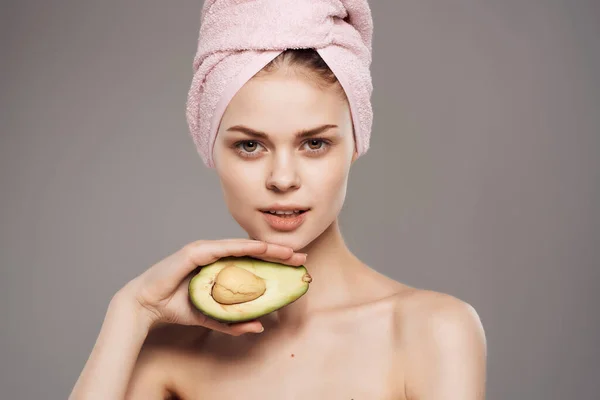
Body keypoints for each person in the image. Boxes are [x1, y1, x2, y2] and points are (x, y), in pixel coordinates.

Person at [69, 2, 487, 399]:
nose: (283, 179)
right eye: (250, 145)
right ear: (209, 148)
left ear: (356, 144)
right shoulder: (169, 350)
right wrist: (131, 310)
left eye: (315, 143)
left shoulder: (432, 331)